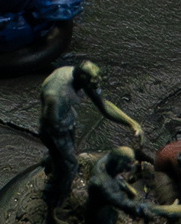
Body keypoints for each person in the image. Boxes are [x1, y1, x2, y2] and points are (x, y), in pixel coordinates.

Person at [39, 59, 141, 214]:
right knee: (68, 167)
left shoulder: (80, 77)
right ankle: (52, 206)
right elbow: (51, 126)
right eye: (93, 83)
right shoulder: (56, 95)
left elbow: (103, 104)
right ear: (83, 79)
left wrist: (132, 123)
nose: (96, 86)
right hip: (55, 129)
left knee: (63, 159)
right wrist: (64, 156)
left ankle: (52, 164)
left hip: (65, 121)